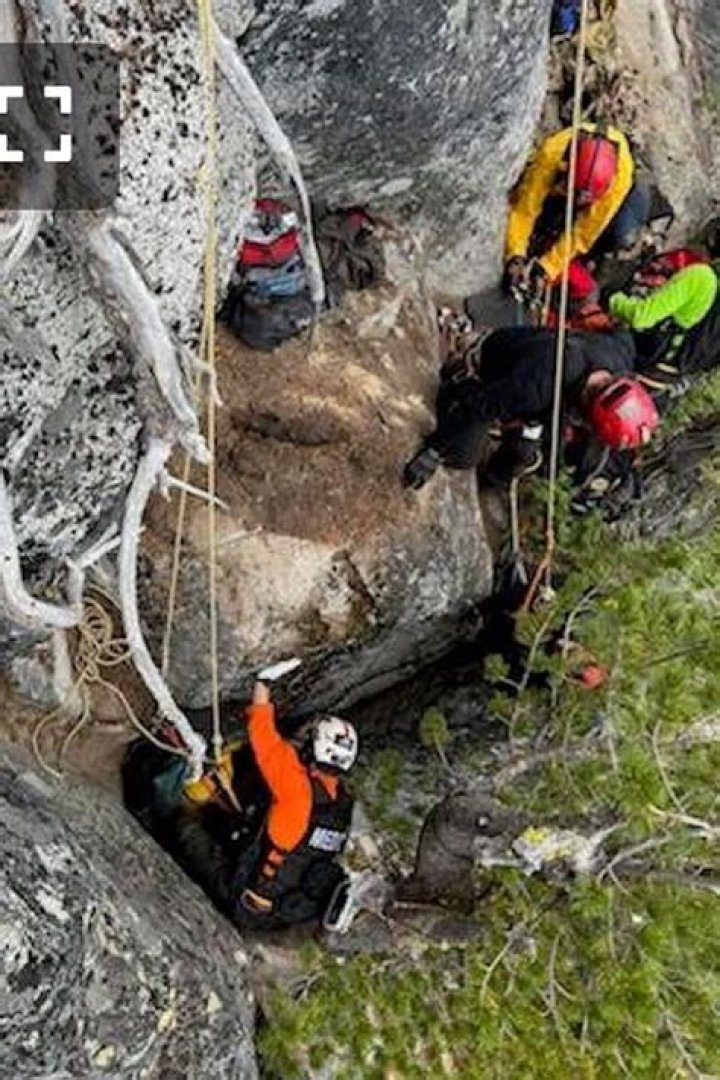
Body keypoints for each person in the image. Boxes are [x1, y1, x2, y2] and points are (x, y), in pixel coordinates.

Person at [402, 325, 658, 491]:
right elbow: (480, 407)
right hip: (494, 366)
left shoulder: (618, 359)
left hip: (537, 368)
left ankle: (491, 482)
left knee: (523, 453)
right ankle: (458, 381)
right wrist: (433, 451)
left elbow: (622, 333)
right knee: (463, 455)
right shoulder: (538, 388)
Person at [504, 123, 650, 297]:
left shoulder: (617, 183)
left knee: (620, 235)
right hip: (566, 173)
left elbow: (582, 234)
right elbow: (524, 209)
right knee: (543, 201)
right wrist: (515, 254)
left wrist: (547, 268)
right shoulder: (552, 154)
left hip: (615, 189)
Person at [609, 259, 720, 404]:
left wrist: (613, 298)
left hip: (634, 355)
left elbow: (640, 316)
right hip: (660, 386)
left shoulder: (703, 278)